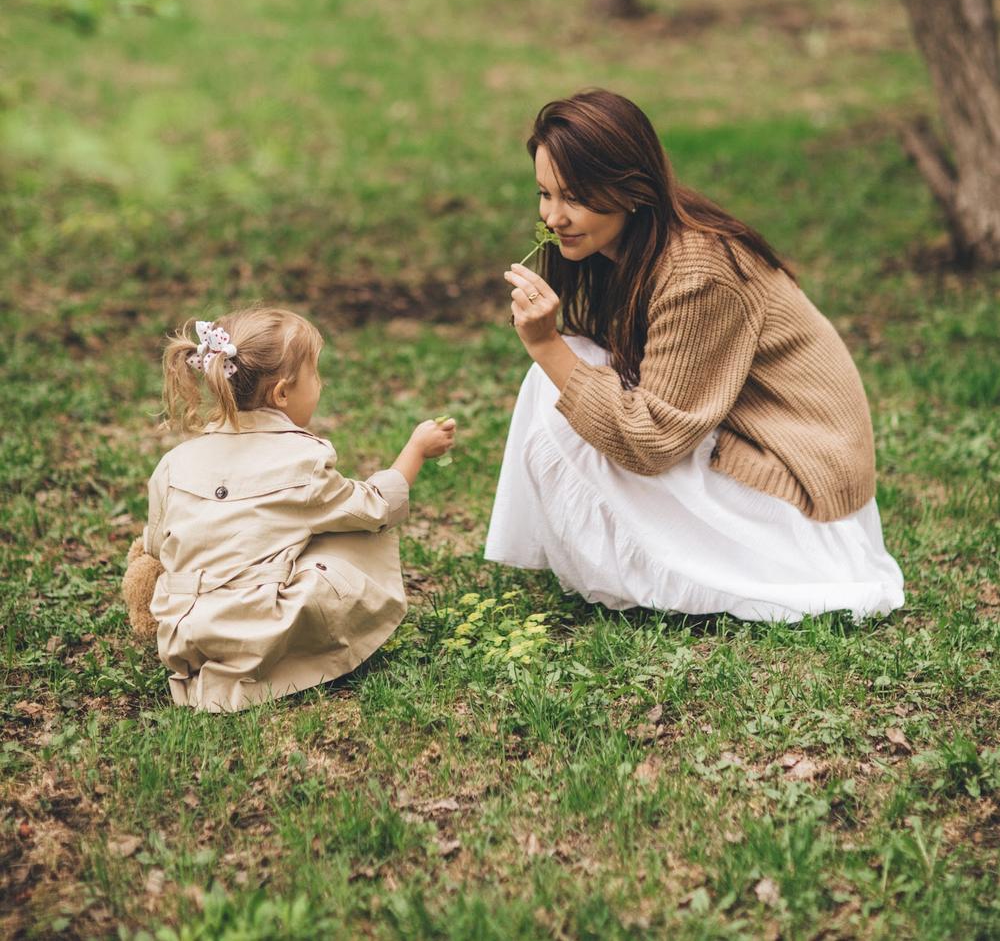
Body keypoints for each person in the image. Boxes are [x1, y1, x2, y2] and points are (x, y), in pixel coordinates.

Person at [485, 90, 904, 623]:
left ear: (630, 187)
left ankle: (677, 573)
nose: (554, 216)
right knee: (569, 365)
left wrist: (545, 345)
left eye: (575, 197)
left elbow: (651, 441)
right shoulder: (629, 247)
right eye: (545, 194)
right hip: (750, 444)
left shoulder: (697, 272)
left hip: (797, 490)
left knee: (556, 376)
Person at [129, 306, 455, 712]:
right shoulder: (303, 462)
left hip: (184, 633)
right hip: (259, 635)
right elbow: (377, 507)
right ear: (282, 393)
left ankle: (209, 664)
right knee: (352, 531)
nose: (320, 385)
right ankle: (279, 664)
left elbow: (157, 546)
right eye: (315, 375)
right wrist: (417, 450)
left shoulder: (174, 462)